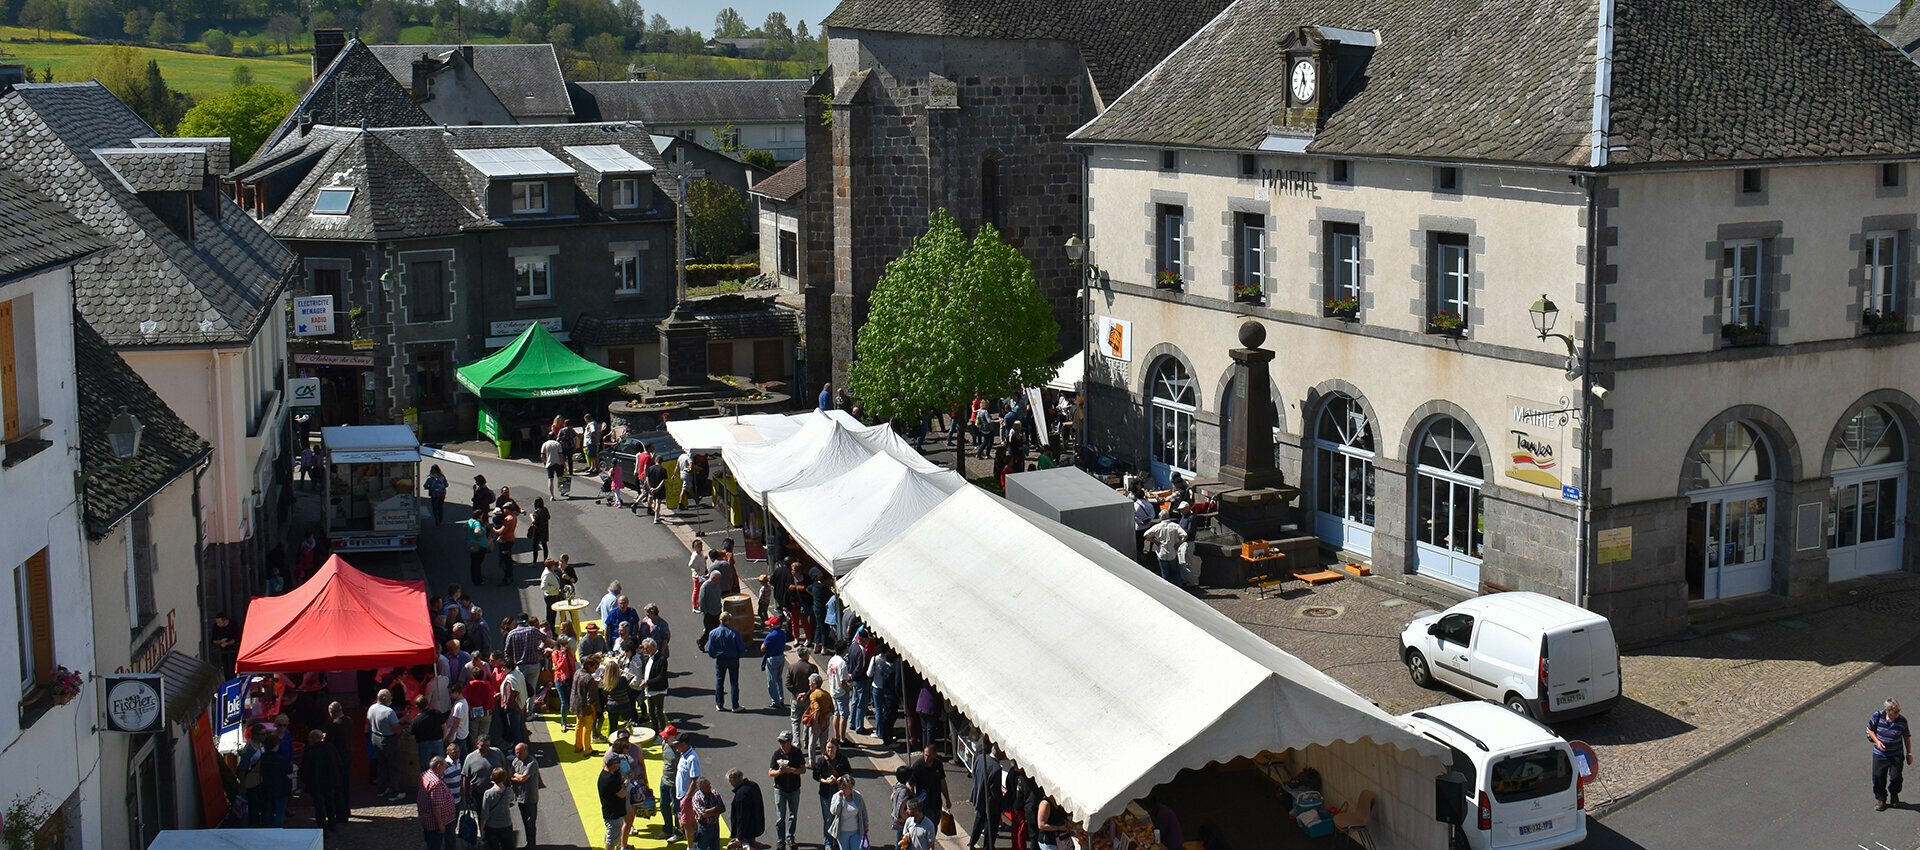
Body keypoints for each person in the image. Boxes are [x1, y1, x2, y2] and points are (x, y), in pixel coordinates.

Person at [768, 730, 806, 850]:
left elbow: (803, 769)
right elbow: (770, 772)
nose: (782, 744)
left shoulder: (797, 753)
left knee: (793, 815)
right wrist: (779, 772)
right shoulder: (777, 754)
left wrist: (792, 770)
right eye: (780, 741)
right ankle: (781, 841)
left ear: (790, 741)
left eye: (784, 741)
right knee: (780, 817)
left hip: (794, 789)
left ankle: (790, 836)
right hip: (780, 789)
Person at [302, 729, 346, 831]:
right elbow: (338, 763)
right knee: (330, 803)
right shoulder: (330, 748)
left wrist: (306, 781)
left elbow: (305, 769)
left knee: (319, 806)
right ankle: (332, 823)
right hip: (329, 781)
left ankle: (322, 826)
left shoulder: (310, 752)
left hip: (316, 783)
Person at [812, 738, 852, 850]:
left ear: (836, 748)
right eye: (828, 747)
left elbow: (848, 772)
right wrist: (825, 781)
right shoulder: (822, 761)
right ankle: (828, 843)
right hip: (826, 793)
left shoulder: (842, 759)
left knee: (840, 817)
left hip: (840, 793)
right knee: (828, 819)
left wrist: (840, 779)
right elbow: (816, 775)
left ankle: (837, 841)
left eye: (832, 747)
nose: (830, 749)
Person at [1873, 698, 1913, 810]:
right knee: (1878, 776)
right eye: (1895, 711)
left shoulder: (1902, 721)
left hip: (1896, 754)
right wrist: (1877, 742)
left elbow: (1906, 737)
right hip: (1880, 754)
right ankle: (1881, 799)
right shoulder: (1877, 717)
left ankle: (1894, 794)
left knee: (1896, 777)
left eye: (1899, 710)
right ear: (1887, 711)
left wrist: (1909, 753)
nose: (1898, 713)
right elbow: (1870, 729)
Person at [369, 689, 407, 800]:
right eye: (390, 696)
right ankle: (394, 793)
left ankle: (381, 789)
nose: (392, 698)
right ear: (385, 698)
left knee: (381, 765)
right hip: (388, 740)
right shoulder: (389, 712)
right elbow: (397, 729)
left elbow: (369, 721)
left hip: (376, 737)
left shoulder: (372, 708)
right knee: (393, 766)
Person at [705, 615, 746, 712]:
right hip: (733, 659)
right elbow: (741, 648)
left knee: (719, 682)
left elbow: (710, 649)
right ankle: (735, 706)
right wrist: (739, 655)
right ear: (728, 621)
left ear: (720, 620)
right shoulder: (734, 633)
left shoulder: (713, 633)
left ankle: (719, 704)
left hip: (720, 659)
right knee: (734, 683)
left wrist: (714, 655)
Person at [419, 755, 458, 850]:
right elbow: (437, 806)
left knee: (430, 842)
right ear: (438, 767)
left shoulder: (425, 774)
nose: (445, 770)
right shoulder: (436, 783)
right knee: (435, 845)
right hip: (436, 823)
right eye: (444, 767)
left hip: (427, 818)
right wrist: (440, 824)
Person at [464, 737, 506, 818]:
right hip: (478, 795)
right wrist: (467, 796)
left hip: (495, 793)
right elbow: (466, 778)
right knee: (481, 817)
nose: (485, 748)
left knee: (495, 817)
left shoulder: (497, 753)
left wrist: (507, 783)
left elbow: (505, 767)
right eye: (483, 746)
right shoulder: (470, 758)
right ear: (477, 744)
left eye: (488, 746)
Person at [1144, 509, 1189, 585]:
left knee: (1165, 573)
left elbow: (1145, 535)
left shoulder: (1157, 526)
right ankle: (1179, 588)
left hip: (1162, 552)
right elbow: (1185, 535)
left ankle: (1166, 589)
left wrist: (1155, 541)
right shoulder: (1175, 526)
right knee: (1176, 573)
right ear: (1168, 517)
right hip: (1172, 552)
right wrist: (1179, 544)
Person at [511, 742, 543, 849]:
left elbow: (523, 778)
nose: (517, 755)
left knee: (530, 823)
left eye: (519, 753)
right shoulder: (516, 761)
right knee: (525, 822)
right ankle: (528, 842)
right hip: (520, 797)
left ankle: (532, 844)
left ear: (526, 751)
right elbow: (512, 772)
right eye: (516, 753)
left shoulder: (532, 763)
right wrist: (517, 776)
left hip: (530, 798)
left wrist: (515, 776)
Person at [908, 747, 949, 829]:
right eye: (925, 755)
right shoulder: (917, 766)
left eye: (929, 756)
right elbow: (911, 785)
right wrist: (913, 803)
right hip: (924, 802)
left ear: (934, 755)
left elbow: (942, 782)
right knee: (927, 826)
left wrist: (947, 799)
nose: (926, 758)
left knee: (935, 824)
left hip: (936, 801)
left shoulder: (938, 764)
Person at [411, 694, 449, 779]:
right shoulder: (437, 713)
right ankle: (441, 786)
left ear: (417, 706)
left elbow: (412, 737)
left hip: (424, 745)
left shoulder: (416, 720)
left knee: (426, 770)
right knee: (441, 767)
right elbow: (444, 727)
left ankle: (428, 788)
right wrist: (443, 739)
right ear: (427, 704)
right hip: (438, 743)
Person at [728, 767, 767, 850]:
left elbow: (742, 816)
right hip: (756, 824)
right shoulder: (753, 785)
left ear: (733, 780)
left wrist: (739, 836)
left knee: (749, 846)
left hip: (747, 831)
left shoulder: (741, 794)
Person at [571, 653, 602, 755]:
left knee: (579, 725)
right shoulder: (589, 679)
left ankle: (578, 746)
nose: (595, 669)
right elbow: (591, 699)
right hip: (586, 707)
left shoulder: (577, 673)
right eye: (594, 667)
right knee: (587, 727)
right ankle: (587, 749)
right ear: (589, 666)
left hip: (576, 704)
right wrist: (594, 711)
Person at [827, 775, 868, 850]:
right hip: (842, 832)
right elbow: (833, 811)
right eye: (848, 787)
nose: (851, 789)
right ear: (843, 787)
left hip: (856, 831)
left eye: (851, 787)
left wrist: (866, 826)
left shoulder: (857, 796)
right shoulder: (836, 796)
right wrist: (839, 800)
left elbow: (863, 811)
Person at [659, 726, 686, 842]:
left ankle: (678, 832)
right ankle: (667, 829)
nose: (664, 739)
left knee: (676, 809)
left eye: (667, 737)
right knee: (663, 805)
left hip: (675, 783)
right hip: (664, 779)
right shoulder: (664, 743)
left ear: (674, 737)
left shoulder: (679, 750)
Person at [600, 747, 630, 849]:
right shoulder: (609, 780)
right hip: (613, 815)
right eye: (618, 762)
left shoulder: (610, 774)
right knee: (611, 840)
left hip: (614, 812)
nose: (620, 764)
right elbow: (622, 794)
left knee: (612, 835)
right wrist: (625, 785)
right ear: (613, 765)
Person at [480, 767, 516, 850]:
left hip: (492, 826)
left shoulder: (488, 794)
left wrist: (482, 829)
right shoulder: (509, 791)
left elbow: (484, 813)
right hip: (506, 824)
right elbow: (512, 799)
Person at [689, 775, 727, 850]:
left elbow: (723, 808)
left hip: (715, 825)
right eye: (707, 786)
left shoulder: (714, 793)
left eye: (709, 785)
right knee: (701, 847)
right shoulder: (697, 798)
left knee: (715, 847)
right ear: (700, 788)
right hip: (704, 827)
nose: (710, 787)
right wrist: (716, 809)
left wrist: (709, 812)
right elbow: (703, 814)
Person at [640, 637, 670, 731]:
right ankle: (656, 731)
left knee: (658, 713)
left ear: (653, 647)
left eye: (646, 648)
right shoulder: (648, 658)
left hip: (658, 690)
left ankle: (662, 733)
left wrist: (647, 683)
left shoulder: (661, 659)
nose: (644, 650)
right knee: (652, 712)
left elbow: (661, 676)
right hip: (649, 689)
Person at [762, 616, 789, 710]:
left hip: (772, 658)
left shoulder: (770, 636)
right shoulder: (783, 633)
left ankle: (775, 701)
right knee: (778, 678)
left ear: (773, 626)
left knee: (771, 681)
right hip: (781, 657)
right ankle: (781, 698)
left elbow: (762, 648)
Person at [805, 674, 834, 760]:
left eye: (810, 683)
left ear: (814, 684)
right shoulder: (827, 694)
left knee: (812, 743)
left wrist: (816, 720)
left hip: (817, 722)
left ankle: (812, 762)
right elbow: (832, 709)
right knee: (824, 743)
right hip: (826, 721)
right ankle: (825, 760)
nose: (809, 684)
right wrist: (826, 717)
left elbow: (816, 709)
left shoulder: (814, 695)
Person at [491, 505, 519, 583]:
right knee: (508, 559)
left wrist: (494, 529)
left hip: (506, 540)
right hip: (511, 539)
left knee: (506, 560)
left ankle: (507, 577)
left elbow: (501, 531)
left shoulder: (508, 519)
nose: (503, 510)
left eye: (504, 509)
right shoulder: (513, 517)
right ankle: (510, 576)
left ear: (508, 509)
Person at [466, 509, 493, 585]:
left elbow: (464, 527)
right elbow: (477, 531)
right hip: (479, 545)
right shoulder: (477, 523)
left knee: (474, 562)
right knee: (478, 562)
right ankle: (478, 580)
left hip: (472, 544)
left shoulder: (470, 521)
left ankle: (475, 577)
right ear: (480, 515)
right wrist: (480, 534)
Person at [210, 612, 240, 679]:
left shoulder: (233, 624)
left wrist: (227, 643)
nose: (218, 624)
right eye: (217, 622)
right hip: (223, 650)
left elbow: (236, 638)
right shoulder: (216, 626)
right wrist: (220, 641)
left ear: (225, 621)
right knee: (225, 667)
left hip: (233, 649)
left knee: (233, 667)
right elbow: (213, 640)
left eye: (220, 623)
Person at [645, 456, 670, 524]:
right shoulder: (663, 469)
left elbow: (647, 479)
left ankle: (657, 515)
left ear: (655, 461)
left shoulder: (650, 468)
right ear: (662, 461)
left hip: (652, 488)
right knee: (658, 503)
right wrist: (658, 488)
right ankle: (656, 517)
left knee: (654, 501)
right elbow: (663, 481)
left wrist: (650, 488)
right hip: (660, 489)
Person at [541, 433, 566, 499]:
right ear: (555, 436)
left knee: (550, 479)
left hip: (549, 463)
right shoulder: (557, 444)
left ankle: (552, 495)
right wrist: (564, 464)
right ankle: (562, 491)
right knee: (560, 477)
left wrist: (545, 462)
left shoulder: (545, 444)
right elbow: (560, 455)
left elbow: (542, 455)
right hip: (558, 463)